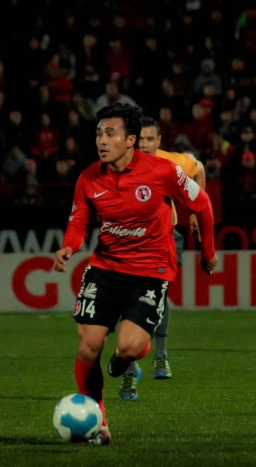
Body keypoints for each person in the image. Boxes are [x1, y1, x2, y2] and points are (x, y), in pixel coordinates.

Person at [53, 103, 218, 445]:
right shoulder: (88, 178)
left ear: (130, 141)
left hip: (151, 269)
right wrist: (69, 246)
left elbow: (202, 204)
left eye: (110, 134)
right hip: (105, 267)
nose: (101, 140)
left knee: (129, 348)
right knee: (88, 347)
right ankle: (99, 421)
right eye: (99, 133)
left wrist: (208, 252)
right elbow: (78, 222)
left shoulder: (162, 172)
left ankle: (125, 357)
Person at [111, 116, 206, 401]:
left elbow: (199, 168)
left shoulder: (172, 162)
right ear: (132, 140)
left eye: (151, 139)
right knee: (126, 305)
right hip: (130, 242)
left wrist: (195, 213)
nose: (146, 145)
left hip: (166, 239)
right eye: (141, 140)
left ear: (159, 141)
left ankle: (160, 356)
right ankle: (130, 366)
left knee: (159, 298)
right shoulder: (120, 164)